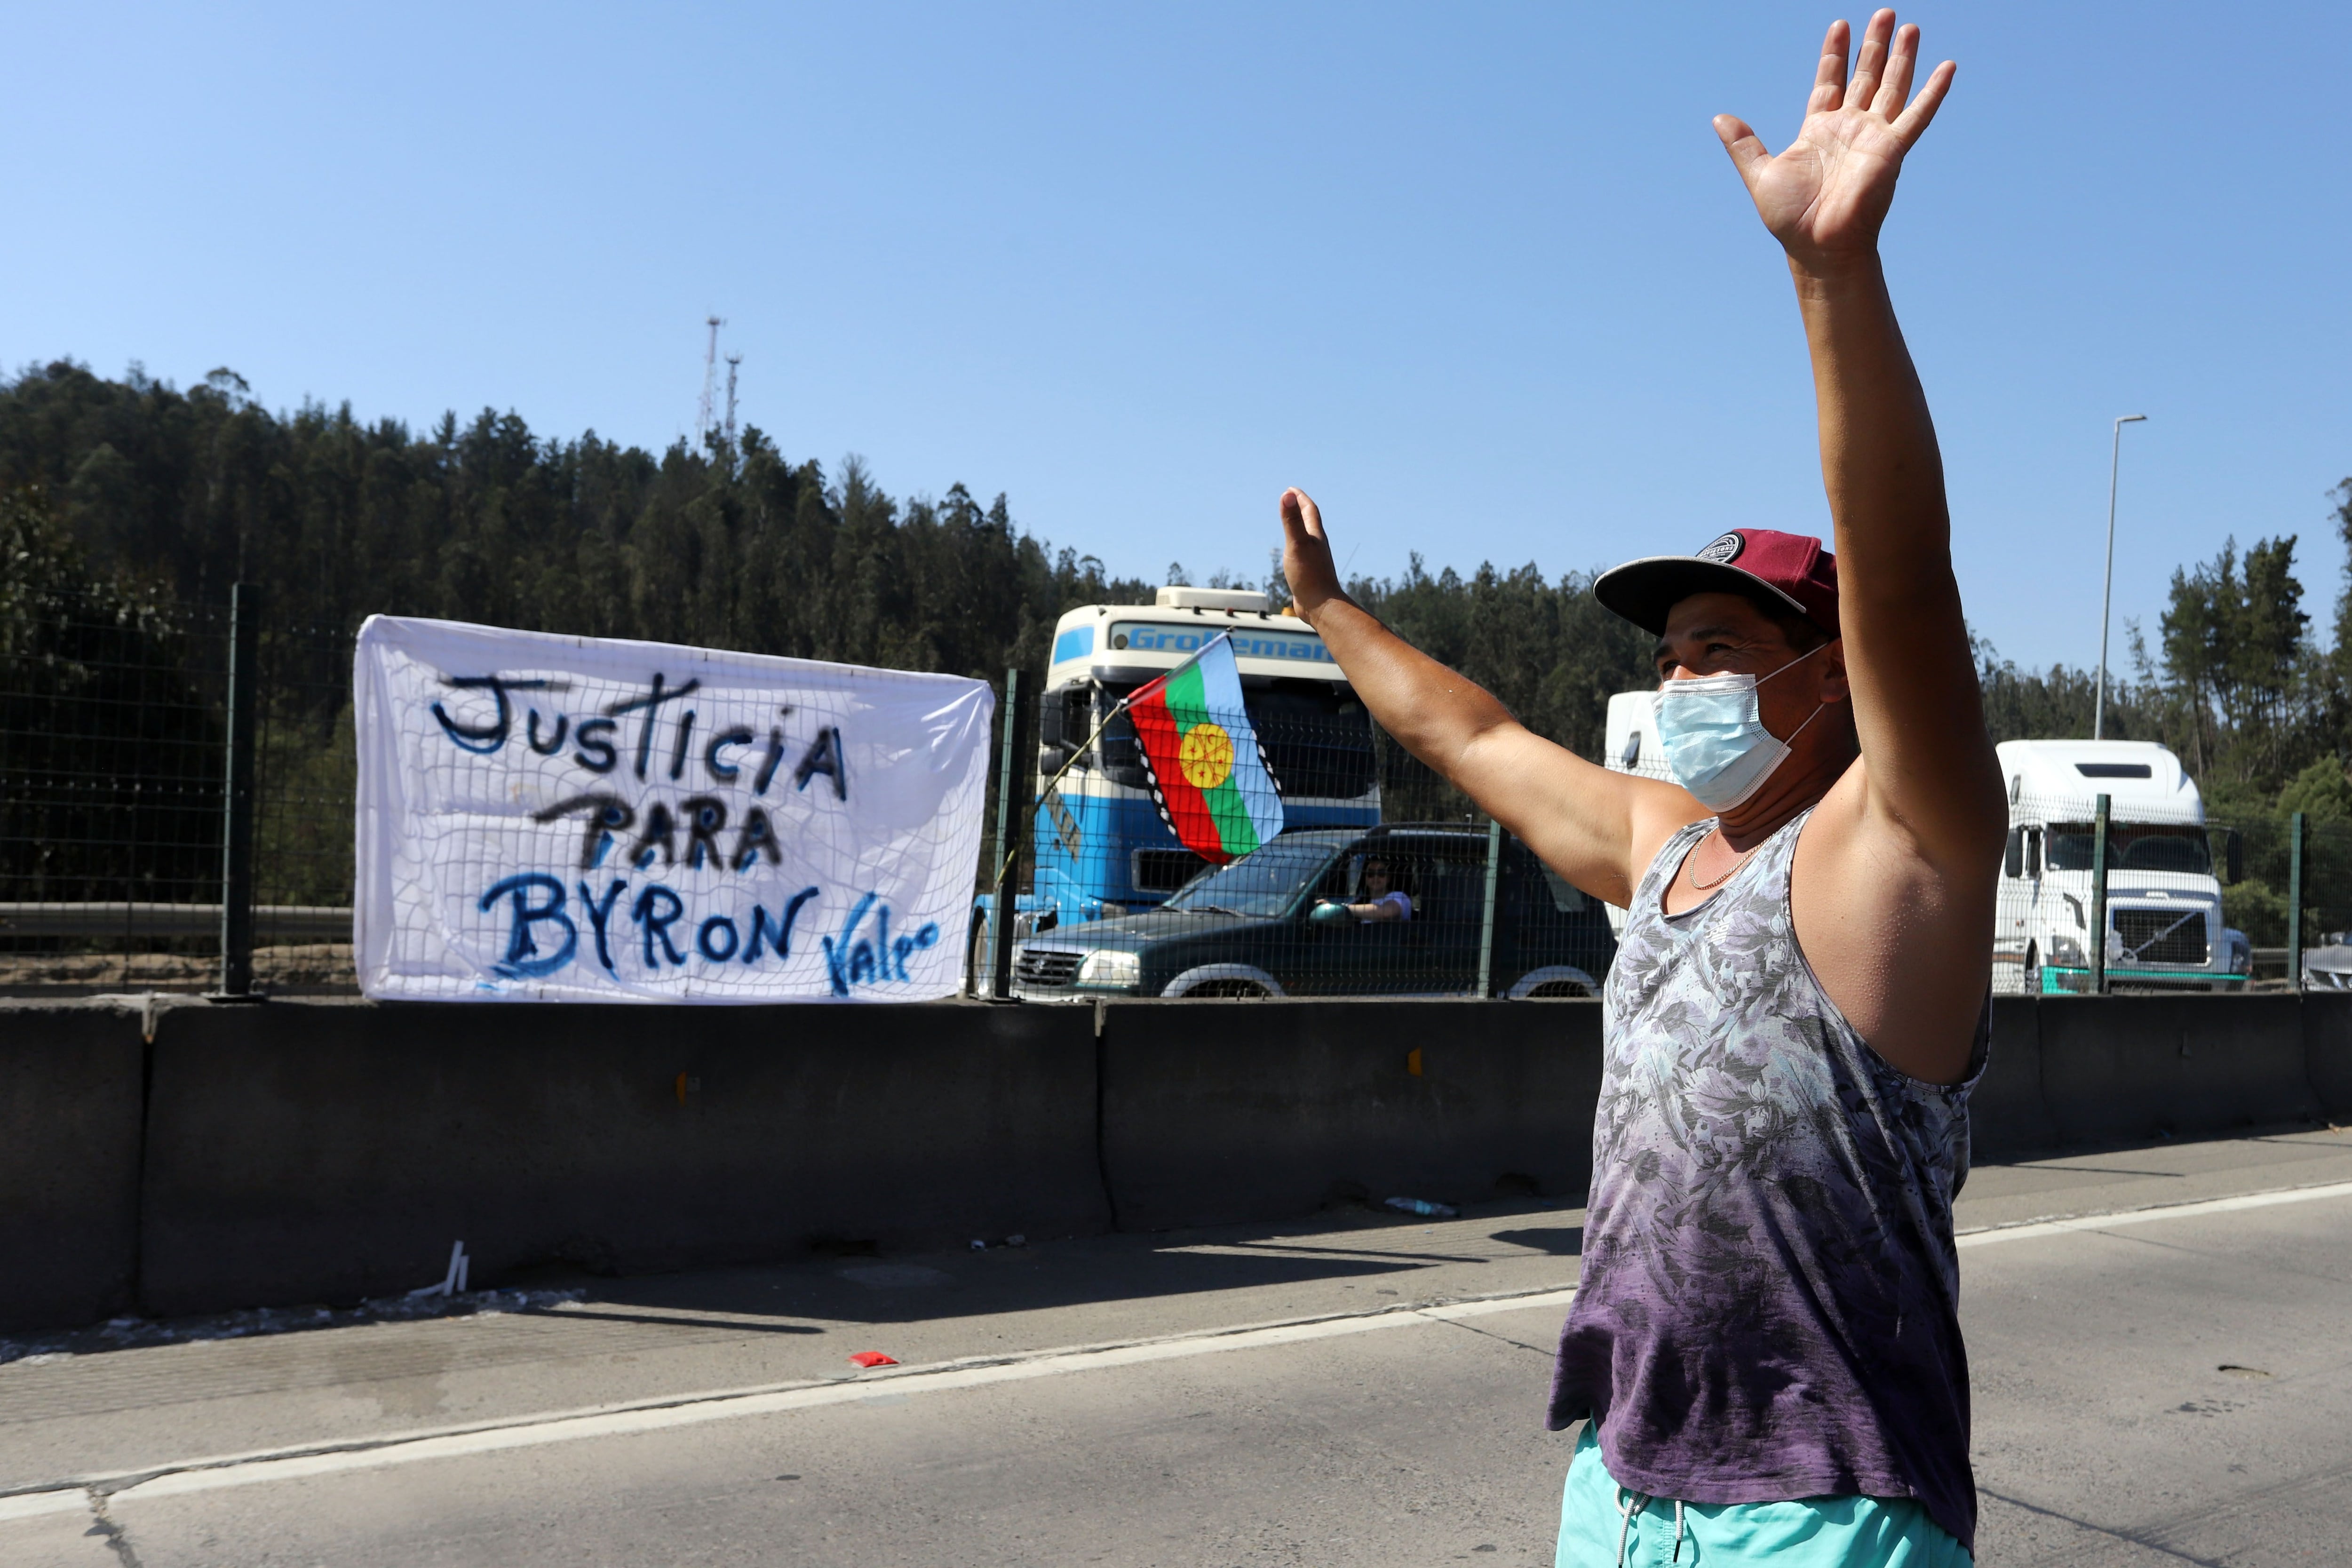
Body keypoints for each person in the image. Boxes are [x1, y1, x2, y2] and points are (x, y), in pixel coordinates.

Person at [1274, 12, 1999, 1565]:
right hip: (1624, 1489)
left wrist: (1830, 274)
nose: (1679, 688)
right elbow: (1467, 741)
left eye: (1721, 650)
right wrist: (1329, 615)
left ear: (1830, 673)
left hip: (1824, 1513)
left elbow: (1905, 571)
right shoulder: (1667, 850)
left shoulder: (1900, 853)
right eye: (1670, 655)